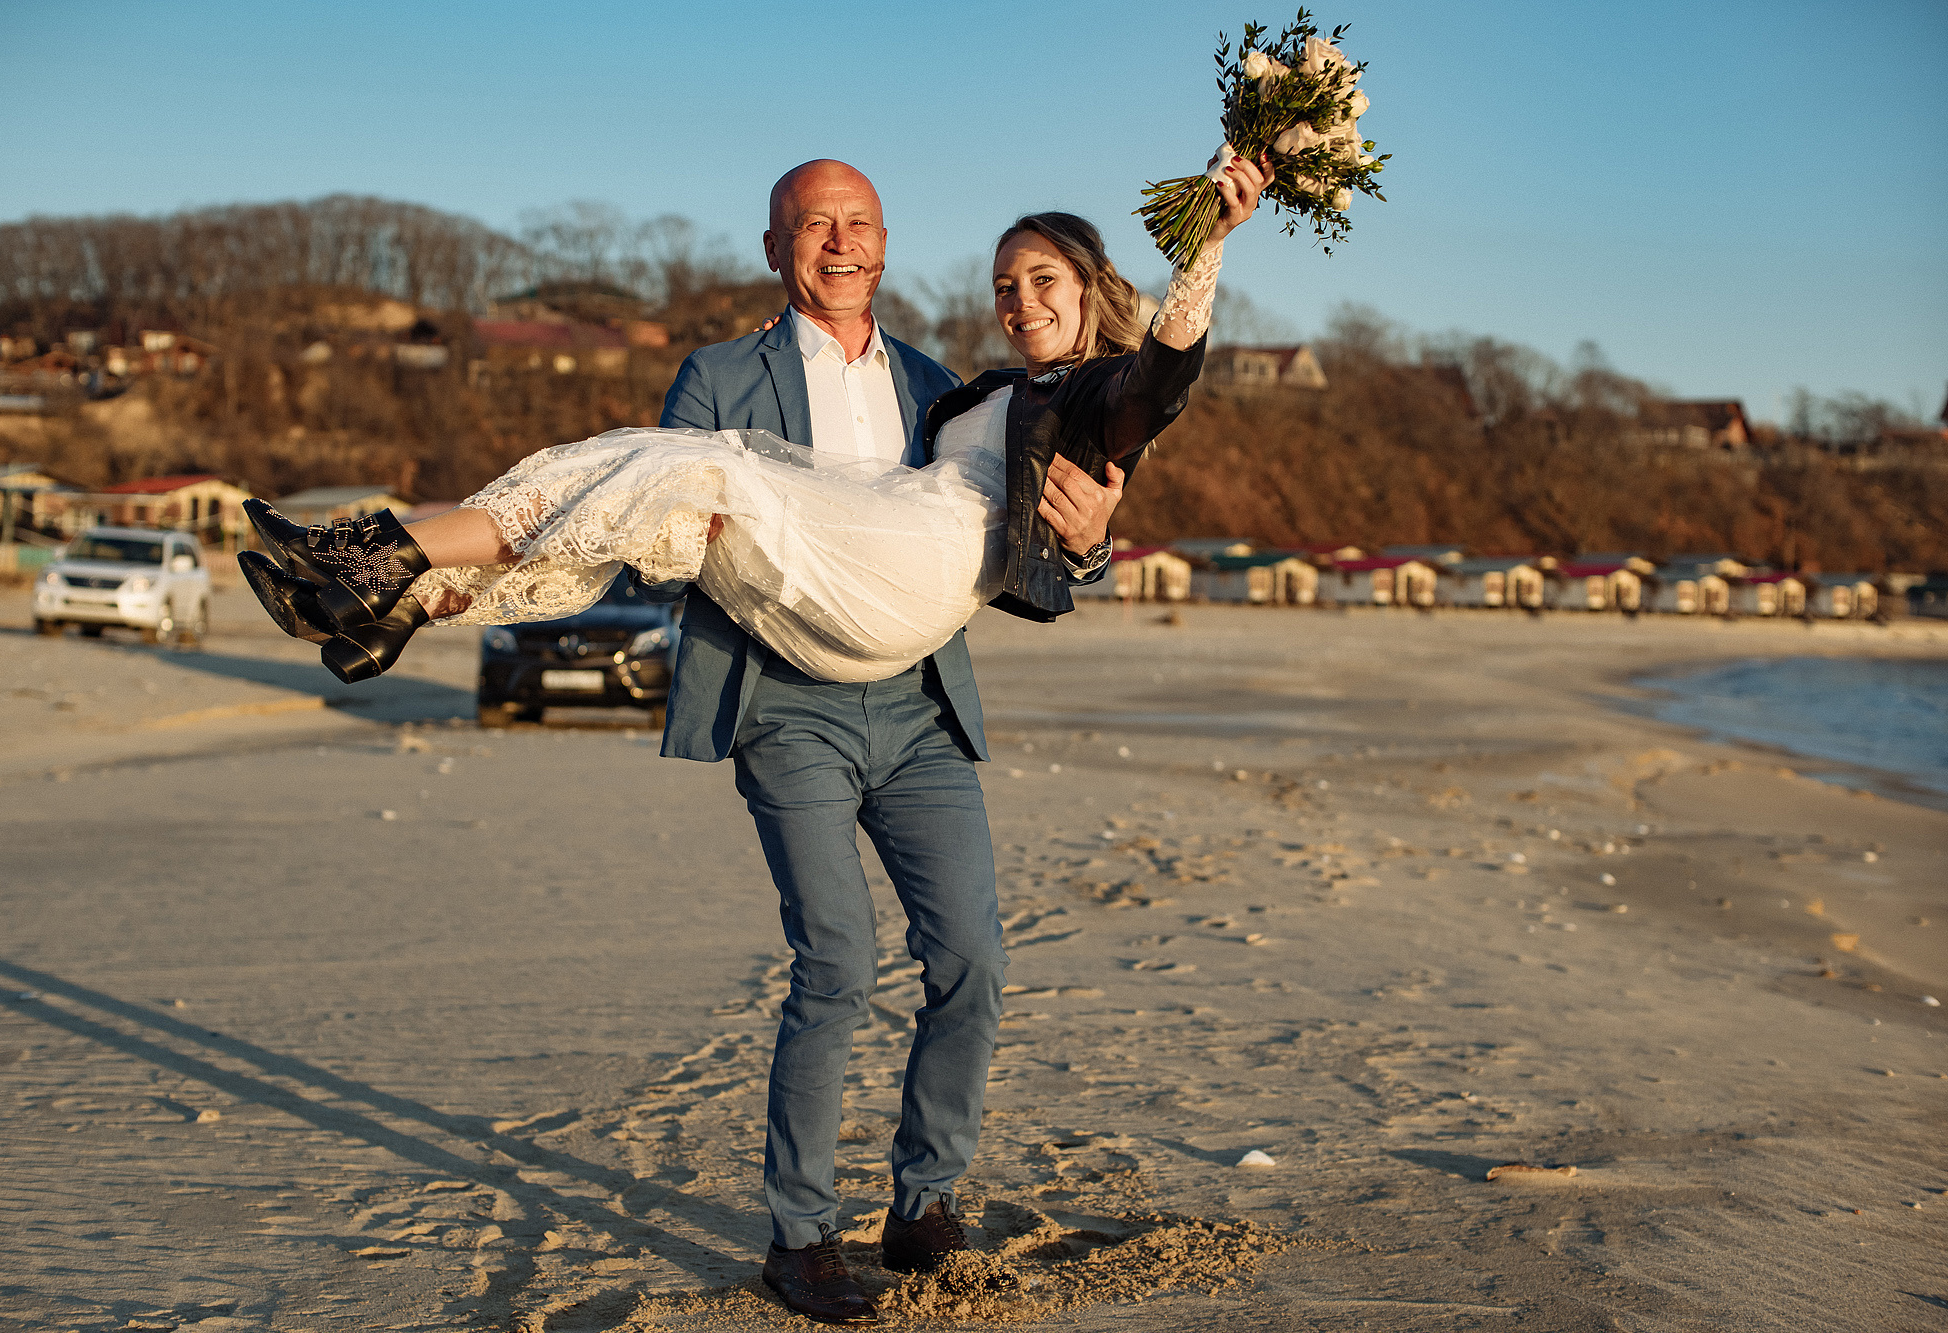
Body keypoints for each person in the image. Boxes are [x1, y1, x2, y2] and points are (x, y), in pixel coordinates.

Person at [239, 154, 1270, 1326]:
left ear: (887, 245)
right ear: (776, 247)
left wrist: (1095, 523)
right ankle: (801, 1230)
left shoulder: (951, 381)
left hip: (916, 697)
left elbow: (1126, 415)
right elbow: (641, 540)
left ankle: (924, 1202)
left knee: (971, 962)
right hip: (789, 698)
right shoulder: (759, 373)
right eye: (814, 225)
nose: (840, 242)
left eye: (861, 223)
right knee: (830, 953)